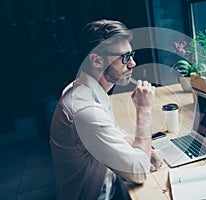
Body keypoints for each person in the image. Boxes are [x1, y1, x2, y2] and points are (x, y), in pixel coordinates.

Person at [50, 19, 162, 200]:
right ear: (96, 60)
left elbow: (114, 134)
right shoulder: (85, 109)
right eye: (125, 57)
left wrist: (141, 149)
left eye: (131, 54)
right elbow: (140, 173)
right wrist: (144, 111)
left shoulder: (85, 88)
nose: (132, 63)